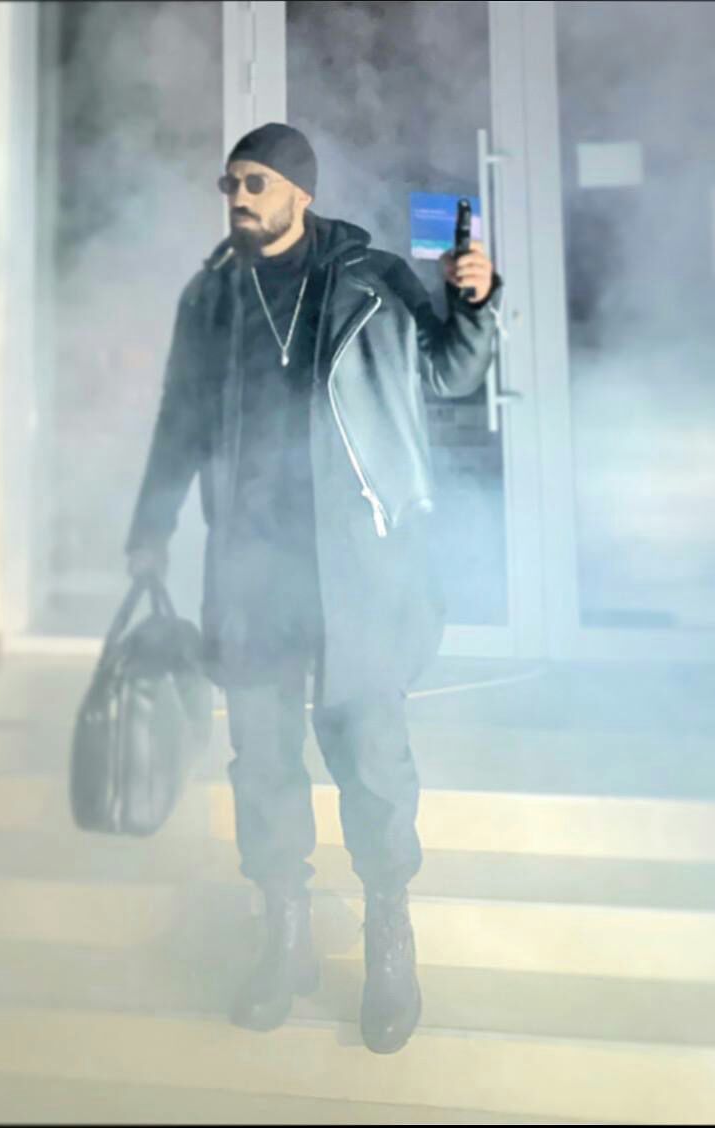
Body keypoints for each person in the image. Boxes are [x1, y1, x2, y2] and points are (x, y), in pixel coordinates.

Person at [125, 123, 502, 1054]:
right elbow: (179, 417)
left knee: (371, 759)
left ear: (299, 191)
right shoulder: (212, 296)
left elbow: (452, 373)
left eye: (254, 182)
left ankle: (388, 937)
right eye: (228, 184)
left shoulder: (371, 280)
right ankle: (283, 934)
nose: (237, 198)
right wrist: (151, 527)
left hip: (356, 569)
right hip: (249, 565)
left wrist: (474, 300)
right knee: (260, 761)